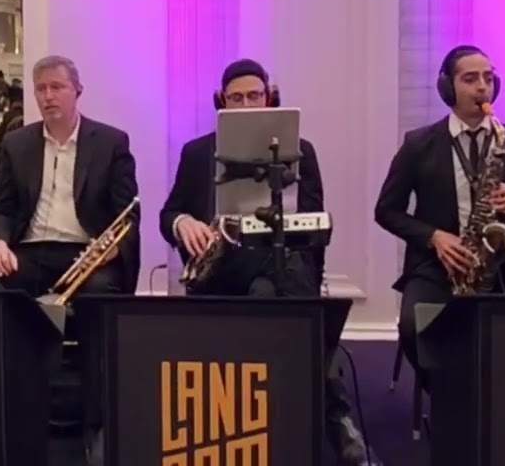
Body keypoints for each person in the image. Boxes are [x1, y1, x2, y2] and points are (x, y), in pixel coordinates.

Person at [159, 58, 381, 466]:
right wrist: (182, 222)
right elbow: (168, 213)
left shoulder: (300, 151)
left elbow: (314, 230)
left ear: (269, 97)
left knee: (272, 286)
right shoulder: (197, 152)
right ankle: (338, 419)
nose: (246, 105)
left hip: (281, 263)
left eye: (254, 96)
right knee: (292, 303)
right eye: (236, 98)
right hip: (222, 269)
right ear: (222, 101)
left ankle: (270, 424)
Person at [374, 45, 505, 391]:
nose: (482, 87)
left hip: (502, 266)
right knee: (412, 327)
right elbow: (385, 211)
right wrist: (434, 237)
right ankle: (446, 395)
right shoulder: (418, 144)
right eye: (470, 79)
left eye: (488, 78)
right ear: (447, 88)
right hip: (437, 266)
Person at [0, 55, 140, 294]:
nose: (48, 96)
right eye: (41, 89)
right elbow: (2, 209)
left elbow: (128, 214)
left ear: (77, 90)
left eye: (57, 87)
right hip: (30, 249)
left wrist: (113, 248)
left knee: (99, 290)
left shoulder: (111, 143)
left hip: (85, 249)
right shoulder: (16, 144)